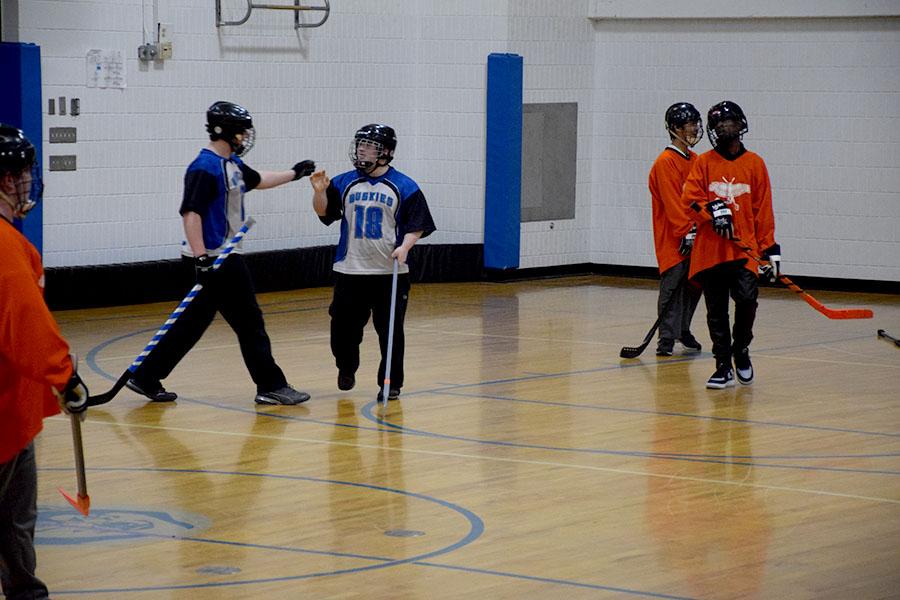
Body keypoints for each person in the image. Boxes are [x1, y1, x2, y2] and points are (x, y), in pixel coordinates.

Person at [125, 101, 315, 405]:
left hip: (223, 257)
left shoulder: (232, 165)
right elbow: (191, 214)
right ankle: (271, 385)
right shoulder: (204, 167)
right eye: (241, 133)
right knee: (250, 323)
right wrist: (201, 259)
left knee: (191, 325)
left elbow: (258, 180)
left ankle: (146, 375)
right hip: (216, 258)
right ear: (226, 132)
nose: (245, 138)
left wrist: (294, 173)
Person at [0, 124, 88, 600]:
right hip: (2, 411)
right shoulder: (5, 245)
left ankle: (24, 591)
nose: (29, 182)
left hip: (12, 411)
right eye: (24, 173)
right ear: (6, 180)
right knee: (12, 512)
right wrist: (66, 378)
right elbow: (24, 324)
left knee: (16, 515)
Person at [310, 124, 436, 402]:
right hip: (349, 269)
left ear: (386, 152)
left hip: (389, 272)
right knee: (342, 330)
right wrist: (320, 191)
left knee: (390, 332)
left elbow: (418, 224)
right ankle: (346, 366)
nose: (361, 150)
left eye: (369, 146)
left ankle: (390, 383)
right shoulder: (344, 182)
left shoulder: (404, 185)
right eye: (360, 145)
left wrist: (405, 246)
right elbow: (325, 213)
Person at [677, 101, 780, 389]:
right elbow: (690, 199)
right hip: (712, 252)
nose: (722, 126)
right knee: (716, 311)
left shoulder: (755, 164)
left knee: (747, 301)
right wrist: (712, 211)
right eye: (716, 123)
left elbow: (763, 211)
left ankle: (741, 350)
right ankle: (722, 364)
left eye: (728, 120)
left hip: (744, 251)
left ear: (740, 123)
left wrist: (769, 250)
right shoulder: (704, 163)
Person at [648, 102, 704, 356]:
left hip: (697, 236)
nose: (694, 129)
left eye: (695, 123)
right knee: (673, 286)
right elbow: (673, 203)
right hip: (674, 238)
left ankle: (683, 329)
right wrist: (686, 232)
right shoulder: (665, 162)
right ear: (675, 129)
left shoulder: (696, 160)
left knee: (694, 284)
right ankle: (666, 339)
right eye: (689, 124)